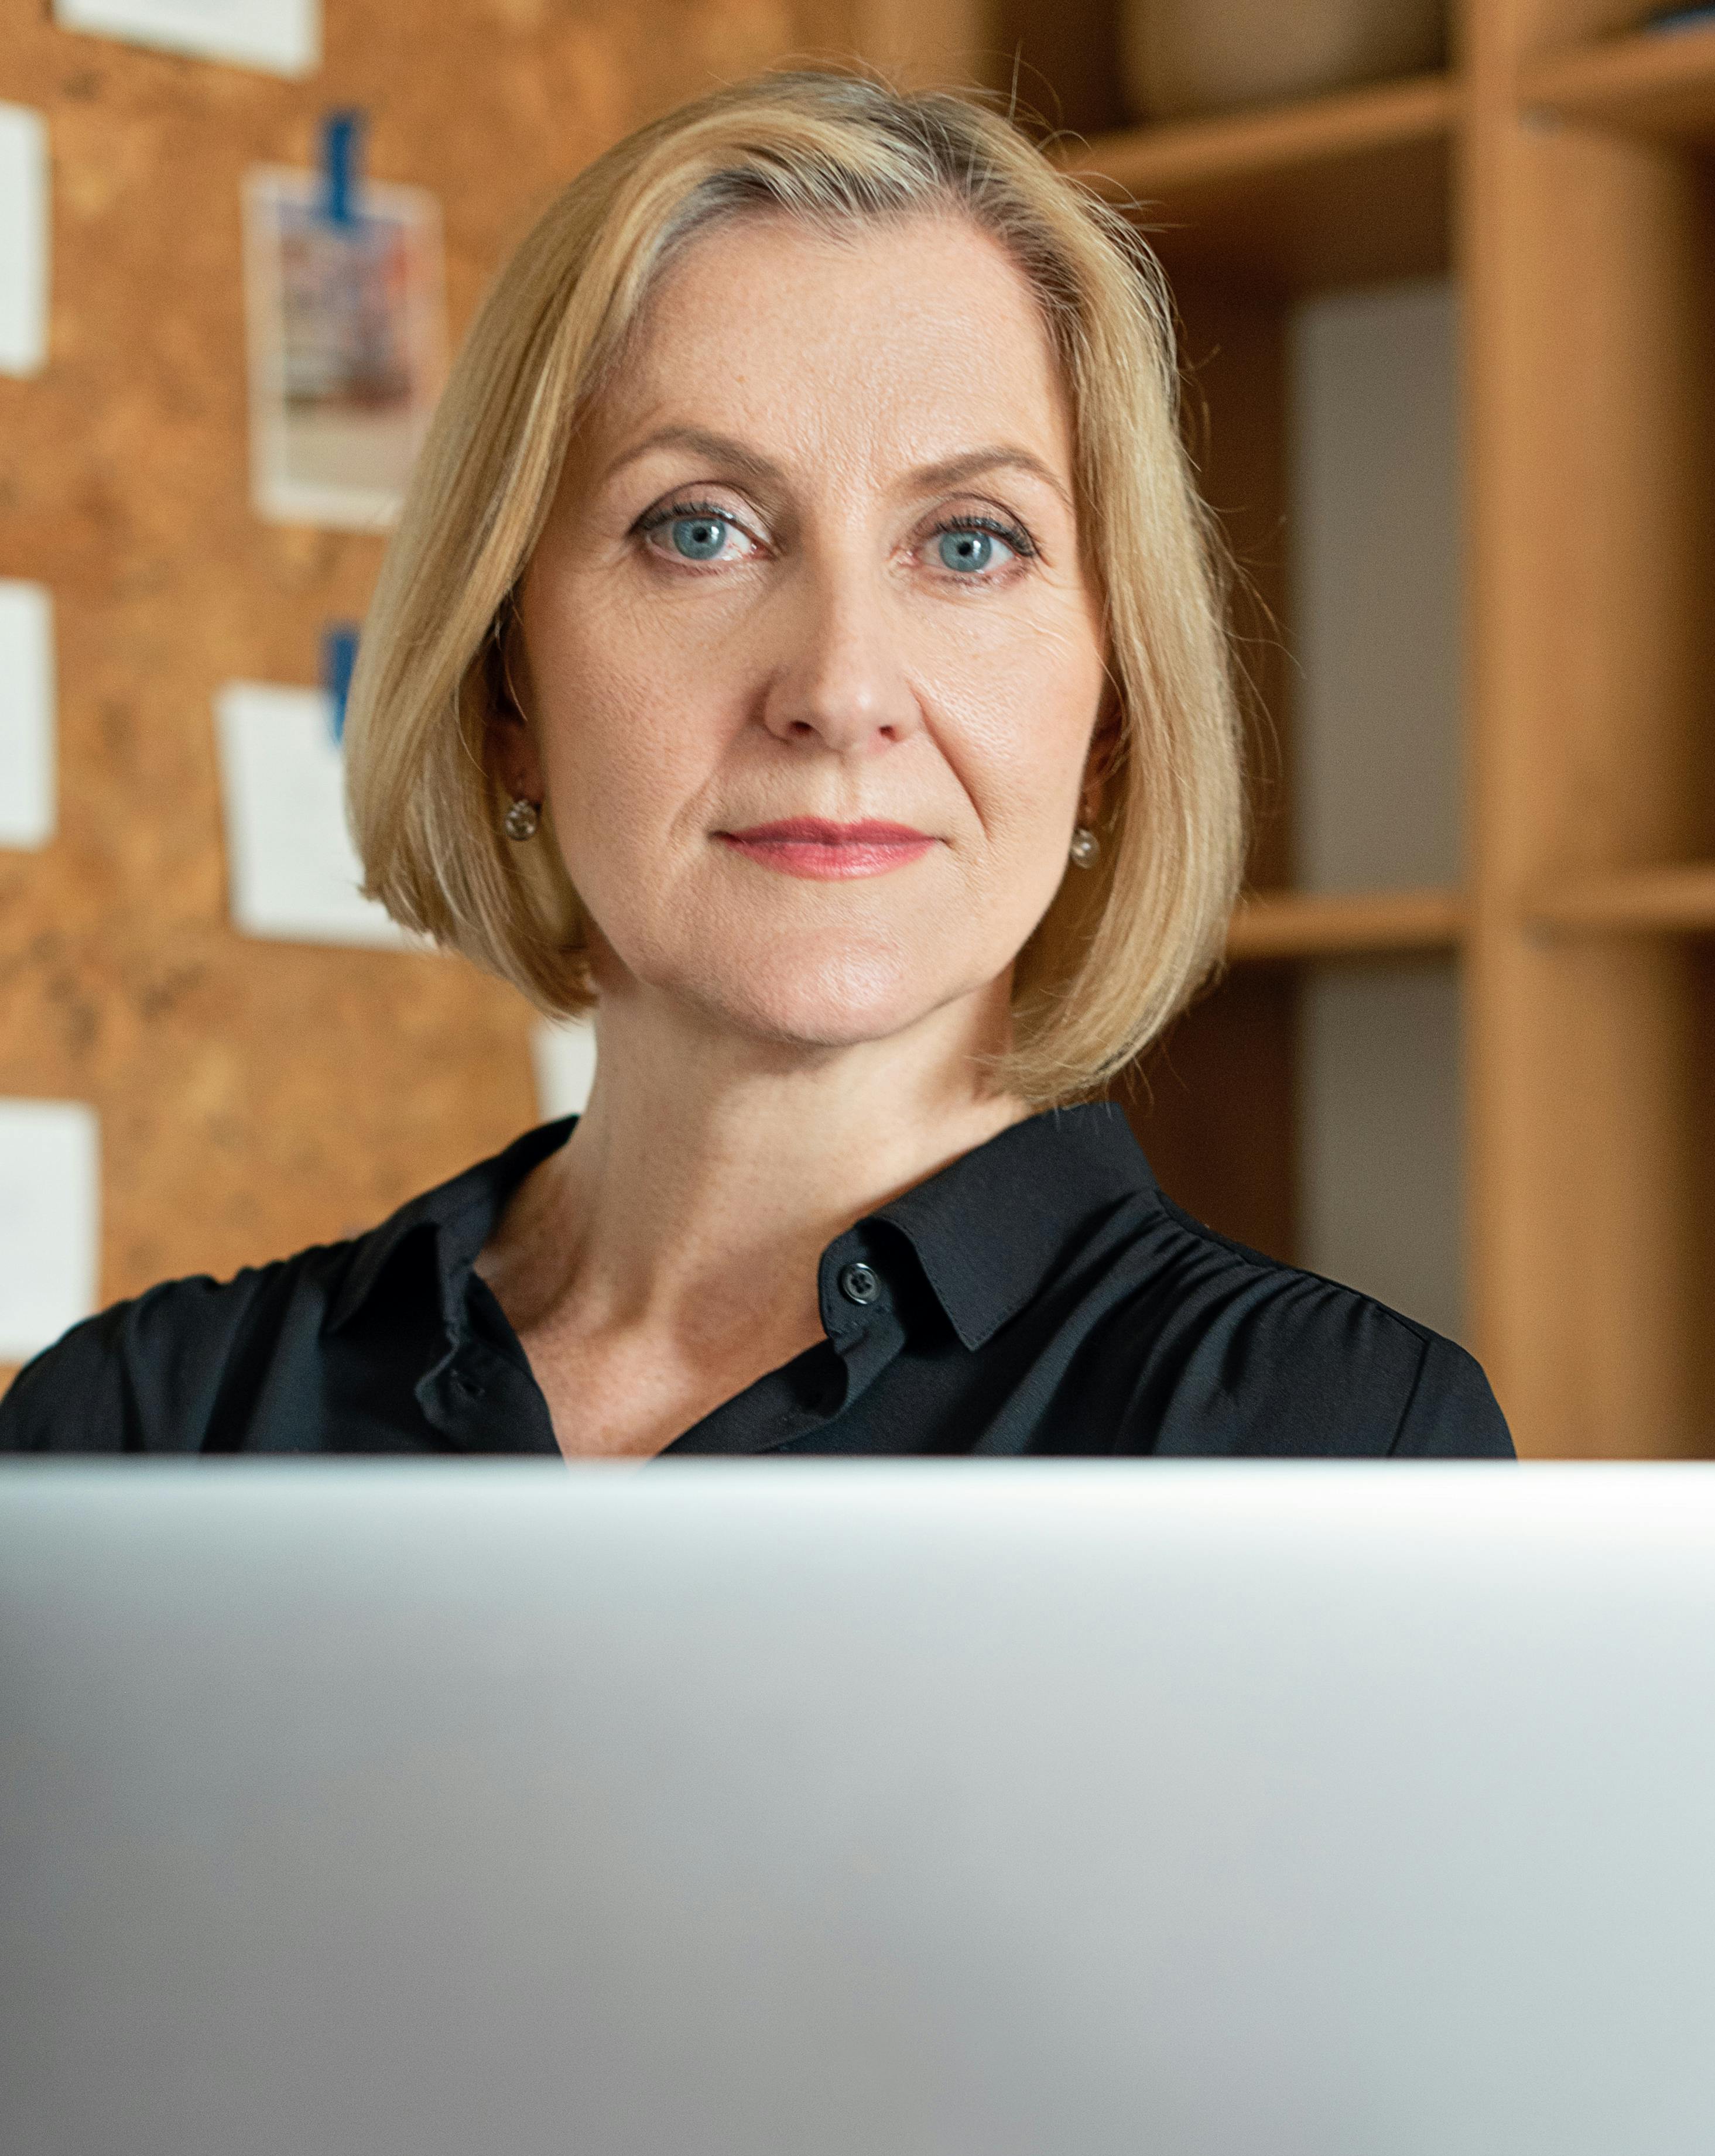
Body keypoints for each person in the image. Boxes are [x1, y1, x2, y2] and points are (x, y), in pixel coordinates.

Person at [0, 71, 1511, 1460]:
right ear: (505, 682)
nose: (841, 691)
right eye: (701, 529)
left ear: (1110, 722)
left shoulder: (1339, 1447)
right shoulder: (144, 1432)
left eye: (971, 545)